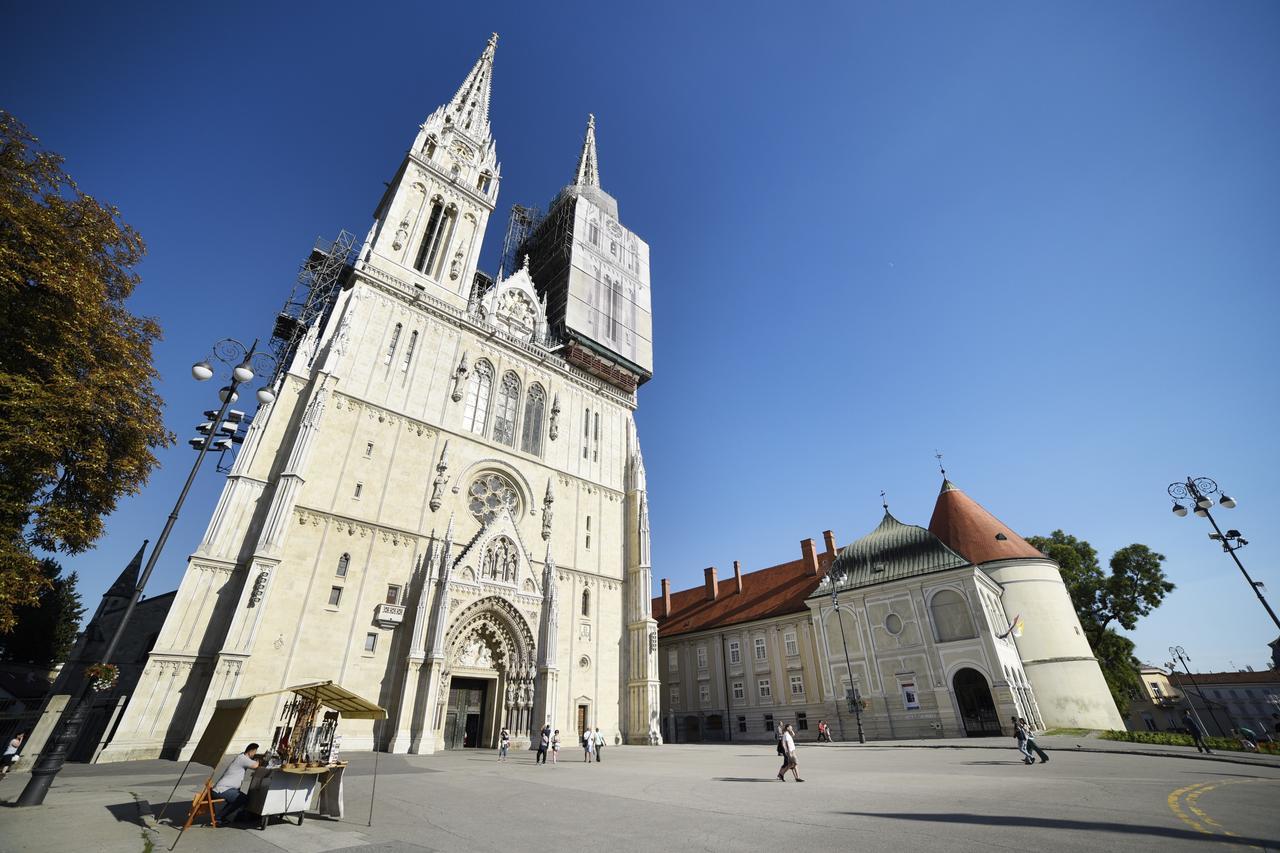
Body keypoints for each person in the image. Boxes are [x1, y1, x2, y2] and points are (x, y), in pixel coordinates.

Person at [212, 743, 260, 822]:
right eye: (255, 752)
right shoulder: (243, 758)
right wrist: (259, 760)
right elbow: (255, 765)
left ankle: (228, 816)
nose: (254, 754)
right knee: (242, 799)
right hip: (222, 789)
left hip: (226, 788)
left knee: (241, 797)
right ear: (251, 751)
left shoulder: (241, 757)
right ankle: (218, 818)